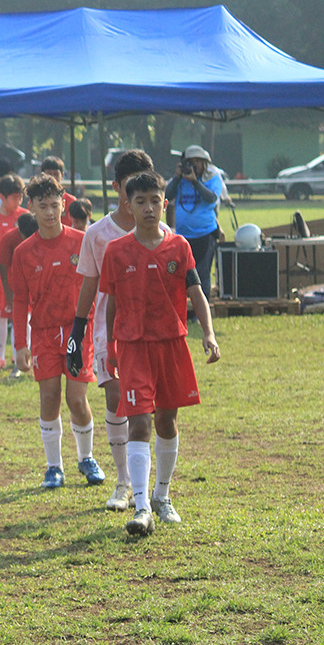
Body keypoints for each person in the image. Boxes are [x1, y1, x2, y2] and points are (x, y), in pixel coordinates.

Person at [99, 171, 220, 535]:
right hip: (134, 348)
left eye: (155, 201)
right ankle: (140, 507)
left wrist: (209, 334)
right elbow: (111, 304)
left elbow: (197, 293)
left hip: (171, 346)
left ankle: (162, 495)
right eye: (140, 202)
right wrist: (110, 348)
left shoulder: (180, 246)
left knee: (166, 421)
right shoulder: (116, 251)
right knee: (140, 422)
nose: (149, 208)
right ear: (129, 206)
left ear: (164, 204)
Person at [66, 149, 158, 511]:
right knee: (115, 399)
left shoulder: (162, 231)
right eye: (131, 187)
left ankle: (152, 488)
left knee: (149, 410)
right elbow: (89, 283)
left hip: (152, 332)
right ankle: (123, 483)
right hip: (110, 332)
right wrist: (78, 329)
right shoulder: (98, 233)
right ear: (118, 187)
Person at [10, 174, 102, 489]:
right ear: (31, 208)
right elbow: (20, 301)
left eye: (54, 205)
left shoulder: (82, 241)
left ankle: (86, 458)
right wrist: (20, 345)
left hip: (79, 331)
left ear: (64, 205)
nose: (49, 212)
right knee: (49, 397)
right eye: (42, 206)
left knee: (77, 399)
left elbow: (100, 288)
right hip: (44, 335)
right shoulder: (24, 252)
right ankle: (53, 466)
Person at [165, 145, 223, 302]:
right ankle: (187, 309)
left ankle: (201, 312)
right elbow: (166, 196)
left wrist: (195, 182)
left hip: (205, 233)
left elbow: (211, 198)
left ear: (205, 163)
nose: (194, 165)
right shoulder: (180, 179)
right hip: (183, 236)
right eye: (191, 161)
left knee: (202, 273)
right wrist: (177, 177)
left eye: (198, 161)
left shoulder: (212, 177)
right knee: (184, 273)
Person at [0, 175, 27, 374]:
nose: (18, 202)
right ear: (2, 197)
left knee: (21, 314)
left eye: (20, 197)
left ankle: (19, 356)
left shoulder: (26, 217)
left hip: (22, 272)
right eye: (14, 197)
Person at [0, 212, 38, 378]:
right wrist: (8, 294)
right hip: (17, 288)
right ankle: (19, 361)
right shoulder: (8, 239)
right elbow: (2, 266)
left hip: (37, 286)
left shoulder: (40, 236)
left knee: (35, 323)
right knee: (19, 323)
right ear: (19, 231)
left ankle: (37, 359)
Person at [40, 156, 78, 227]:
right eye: (49, 174)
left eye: (56, 174)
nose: (53, 178)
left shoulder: (71, 201)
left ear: (62, 175)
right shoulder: (37, 199)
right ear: (42, 175)